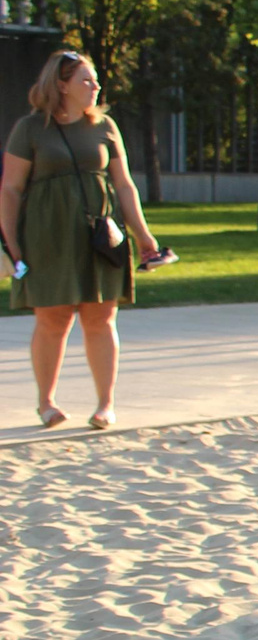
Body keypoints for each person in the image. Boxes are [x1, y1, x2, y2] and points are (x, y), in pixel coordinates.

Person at [1, 48, 163, 429]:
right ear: (61, 85)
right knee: (53, 317)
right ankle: (46, 403)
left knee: (102, 315)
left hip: (100, 233)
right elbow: (10, 188)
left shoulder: (105, 127)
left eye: (95, 80)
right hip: (47, 233)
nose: (95, 86)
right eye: (86, 80)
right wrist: (11, 241)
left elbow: (123, 184)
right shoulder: (30, 129)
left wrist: (142, 233)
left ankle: (106, 404)